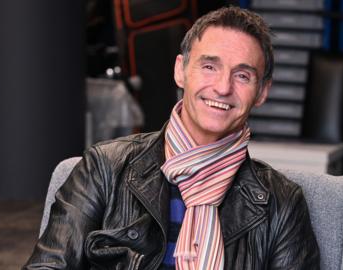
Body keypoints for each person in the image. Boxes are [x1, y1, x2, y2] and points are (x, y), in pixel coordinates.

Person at [24, 6, 320, 270]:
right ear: (181, 71)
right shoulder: (105, 167)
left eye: (242, 75)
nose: (222, 87)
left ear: (262, 92)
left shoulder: (282, 203)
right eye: (209, 66)